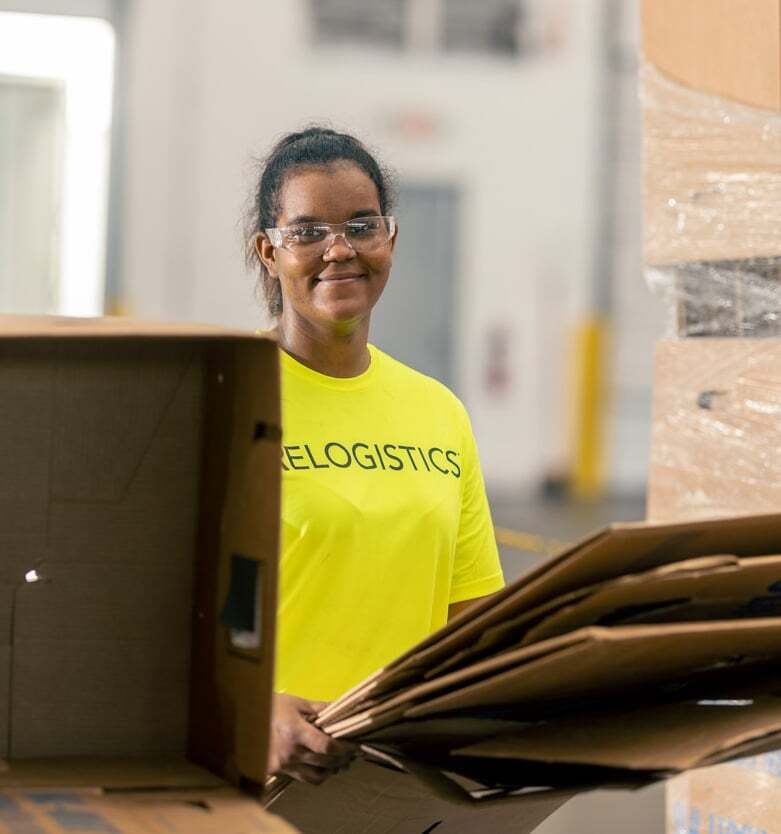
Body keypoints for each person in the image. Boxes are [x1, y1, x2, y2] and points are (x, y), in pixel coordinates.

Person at [245, 127, 505, 786]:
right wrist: (248, 713)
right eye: (306, 232)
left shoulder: (438, 413)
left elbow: (468, 617)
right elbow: (151, 613)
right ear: (268, 252)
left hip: (395, 776)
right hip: (261, 774)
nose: (338, 250)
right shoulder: (223, 395)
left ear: (389, 239)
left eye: (361, 226)